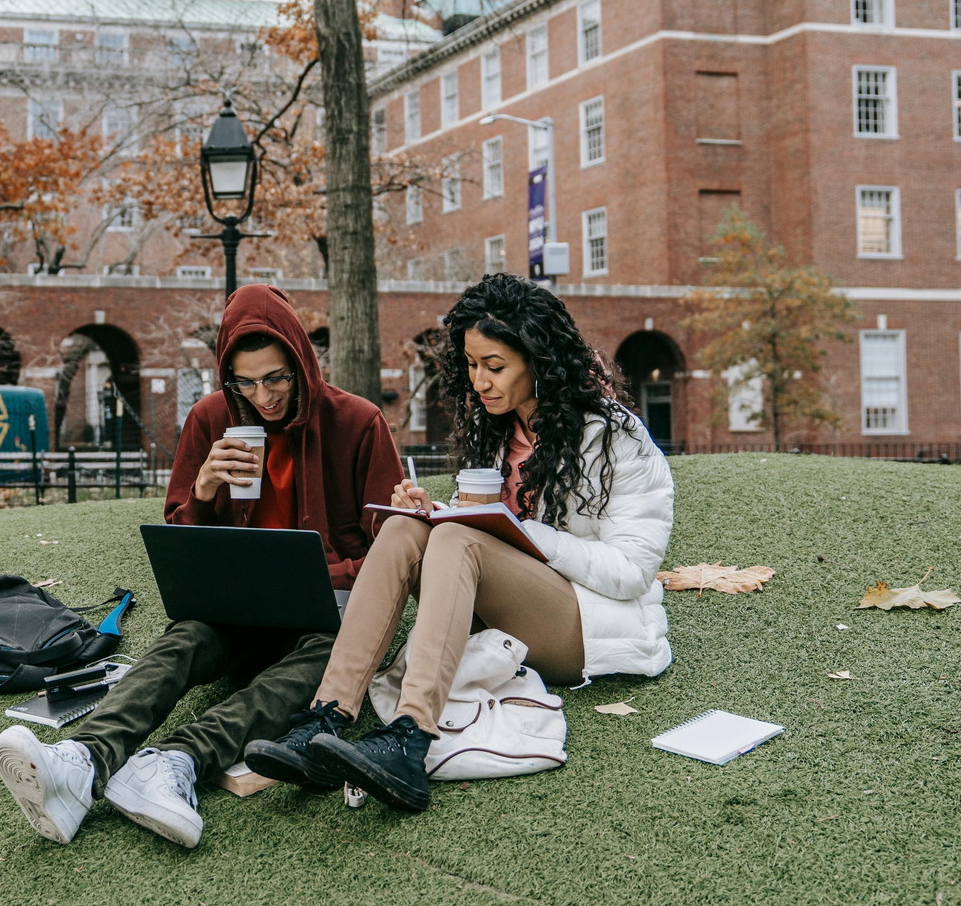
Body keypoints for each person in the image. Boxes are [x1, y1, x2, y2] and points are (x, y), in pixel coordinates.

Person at [0, 284, 403, 848]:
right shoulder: (210, 418)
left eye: (278, 377)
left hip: (324, 615)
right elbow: (182, 544)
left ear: (303, 364)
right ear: (225, 376)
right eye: (246, 382)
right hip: (237, 611)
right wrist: (204, 490)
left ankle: (176, 761)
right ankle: (81, 760)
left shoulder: (358, 422)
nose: (265, 396)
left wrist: (326, 574)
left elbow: (391, 553)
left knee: (325, 658)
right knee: (183, 638)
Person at [246, 273, 674, 811]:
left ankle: (409, 736)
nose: (480, 382)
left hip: (585, 622)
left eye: (495, 367)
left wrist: (514, 532)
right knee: (407, 527)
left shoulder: (613, 436)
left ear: (540, 360)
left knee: (456, 542)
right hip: (503, 605)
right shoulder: (497, 431)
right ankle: (326, 716)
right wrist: (438, 511)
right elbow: (487, 531)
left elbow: (632, 570)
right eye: (472, 366)